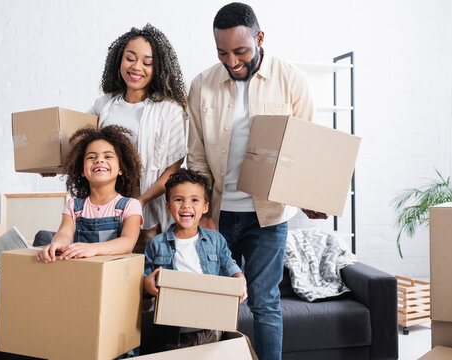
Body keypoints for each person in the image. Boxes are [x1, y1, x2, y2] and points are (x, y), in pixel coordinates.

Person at [187, 3, 327, 359]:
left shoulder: (290, 79)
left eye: (240, 51)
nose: (232, 61)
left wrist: (312, 197)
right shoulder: (202, 84)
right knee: (214, 306)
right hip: (218, 215)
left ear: (260, 39)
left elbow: (309, 147)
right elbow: (198, 155)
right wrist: (203, 211)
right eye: (222, 53)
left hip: (268, 215)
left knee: (265, 304)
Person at [88, 24, 188, 253]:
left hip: (146, 218)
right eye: (130, 58)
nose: (136, 67)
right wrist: (54, 166)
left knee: (141, 283)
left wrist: (140, 201)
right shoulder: (103, 105)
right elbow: (83, 152)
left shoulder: (169, 110)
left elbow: (172, 171)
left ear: (158, 67)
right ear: (119, 61)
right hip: (101, 214)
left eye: (147, 62)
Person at [143, 168, 247, 349]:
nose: (186, 206)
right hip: (173, 331)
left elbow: (228, 264)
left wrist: (239, 278)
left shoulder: (215, 240)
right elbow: (146, 282)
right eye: (178, 200)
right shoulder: (156, 244)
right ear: (168, 206)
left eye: (194, 200)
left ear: (205, 207)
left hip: (211, 327)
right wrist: (147, 285)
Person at [37, 125, 143, 262]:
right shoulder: (73, 206)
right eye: (91, 157)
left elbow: (128, 242)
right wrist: (57, 244)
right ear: (82, 171)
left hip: (114, 277)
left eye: (108, 156)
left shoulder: (131, 205)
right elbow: (64, 233)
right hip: (81, 274)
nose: (99, 160)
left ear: (121, 169)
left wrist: (93, 249)